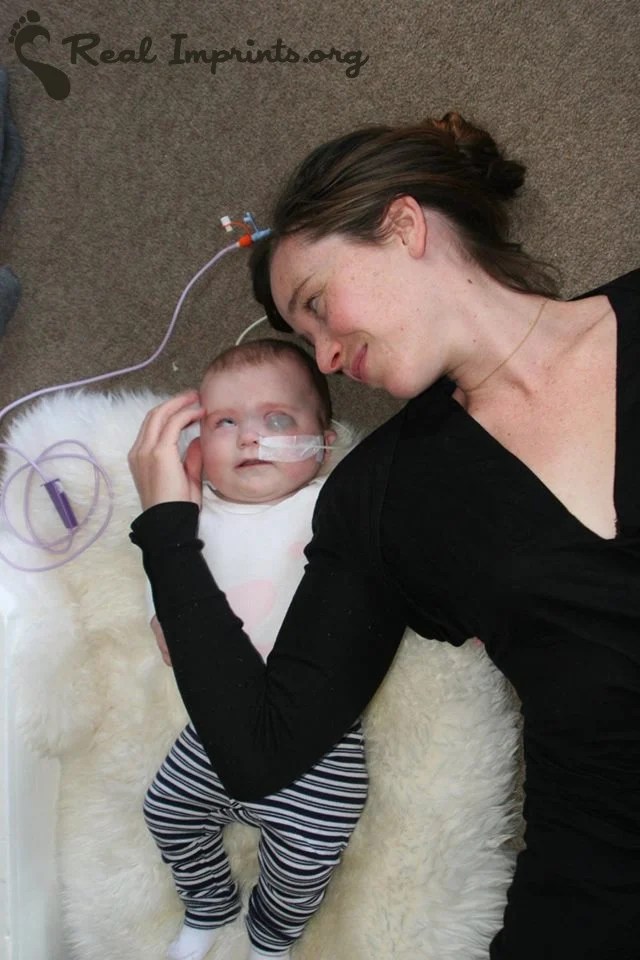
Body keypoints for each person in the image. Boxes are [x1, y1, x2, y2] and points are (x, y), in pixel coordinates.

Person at [128, 111, 640, 959]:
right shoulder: (381, 499)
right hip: (606, 880)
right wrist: (167, 528)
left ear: (403, 227)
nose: (325, 357)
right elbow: (258, 752)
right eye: (305, 338)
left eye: (317, 306)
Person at [140, 339, 368, 960]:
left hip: (319, 742)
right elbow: (163, 575)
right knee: (166, 809)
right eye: (225, 423)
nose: (249, 438)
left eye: (277, 419)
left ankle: (271, 935)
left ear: (323, 444)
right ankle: (208, 899)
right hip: (214, 728)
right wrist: (159, 615)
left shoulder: (330, 506)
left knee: (309, 854)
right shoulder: (187, 517)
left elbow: (397, 555)